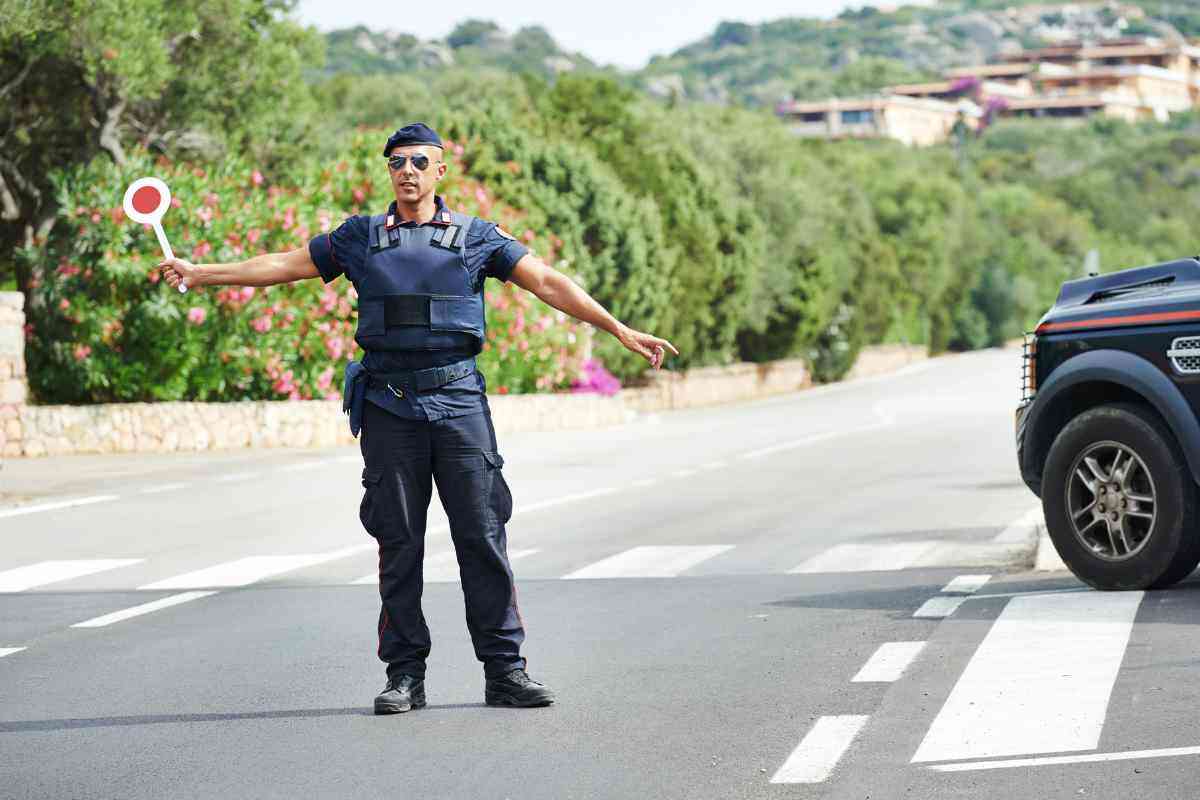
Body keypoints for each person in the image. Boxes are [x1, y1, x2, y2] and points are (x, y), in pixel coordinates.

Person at [159, 122, 679, 715]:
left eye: (418, 162)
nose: (406, 171)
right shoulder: (358, 238)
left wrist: (618, 329)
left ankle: (506, 671)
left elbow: (549, 283)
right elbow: (283, 263)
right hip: (389, 407)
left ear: (440, 171)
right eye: (396, 162)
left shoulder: (478, 237)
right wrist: (201, 273)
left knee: (482, 537)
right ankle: (405, 675)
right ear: (389, 171)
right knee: (398, 543)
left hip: (458, 402)